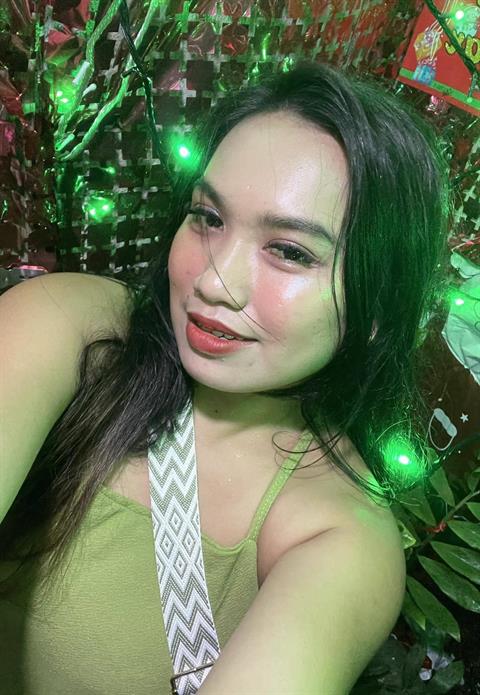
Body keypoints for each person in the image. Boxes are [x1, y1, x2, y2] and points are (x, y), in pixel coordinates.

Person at [0, 60, 451, 694]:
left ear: (378, 308)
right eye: (209, 218)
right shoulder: (74, 328)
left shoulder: (339, 537)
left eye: (289, 251)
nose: (213, 282)